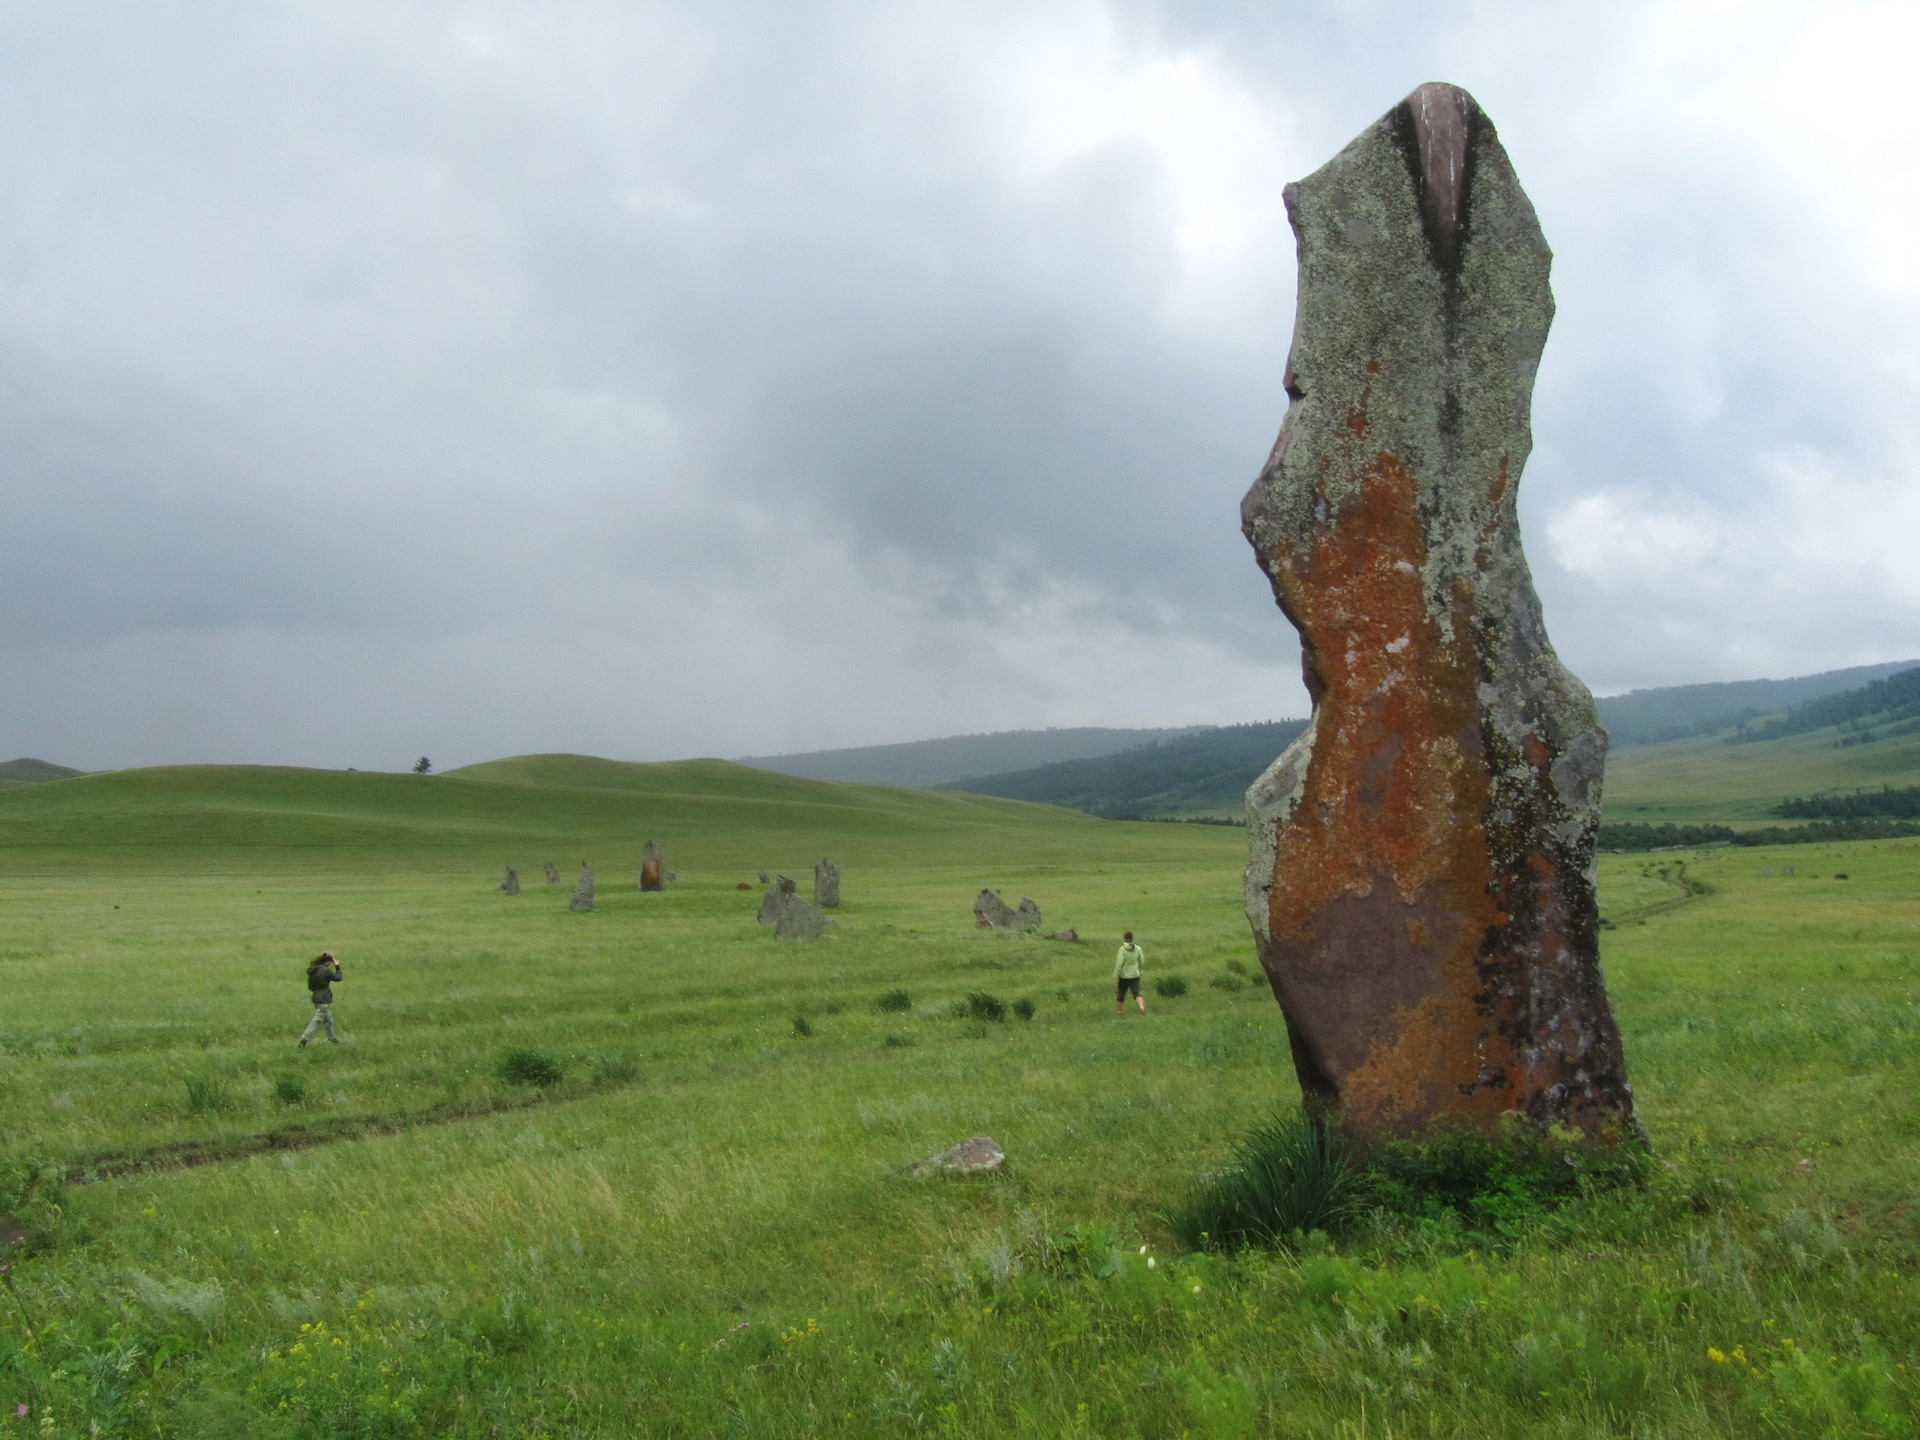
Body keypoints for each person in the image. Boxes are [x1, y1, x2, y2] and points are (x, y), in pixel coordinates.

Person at [299, 951, 343, 1045]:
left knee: (328, 1020)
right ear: (328, 961)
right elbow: (338, 978)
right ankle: (304, 1040)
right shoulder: (326, 971)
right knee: (317, 1020)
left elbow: (310, 986)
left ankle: (332, 1039)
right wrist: (337, 966)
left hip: (316, 996)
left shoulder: (313, 969)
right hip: (323, 998)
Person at [1114, 931, 1146, 1015]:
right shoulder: (1138, 948)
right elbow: (1141, 960)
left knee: (1121, 994)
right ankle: (1141, 1006)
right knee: (1137, 993)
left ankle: (1120, 1011)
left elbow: (1119, 962)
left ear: (1124, 939)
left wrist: (1115, 973)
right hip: (1135, 974)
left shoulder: (1122, 949)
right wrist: (1140, 970)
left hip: (1124, 976)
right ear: (1132, 938)